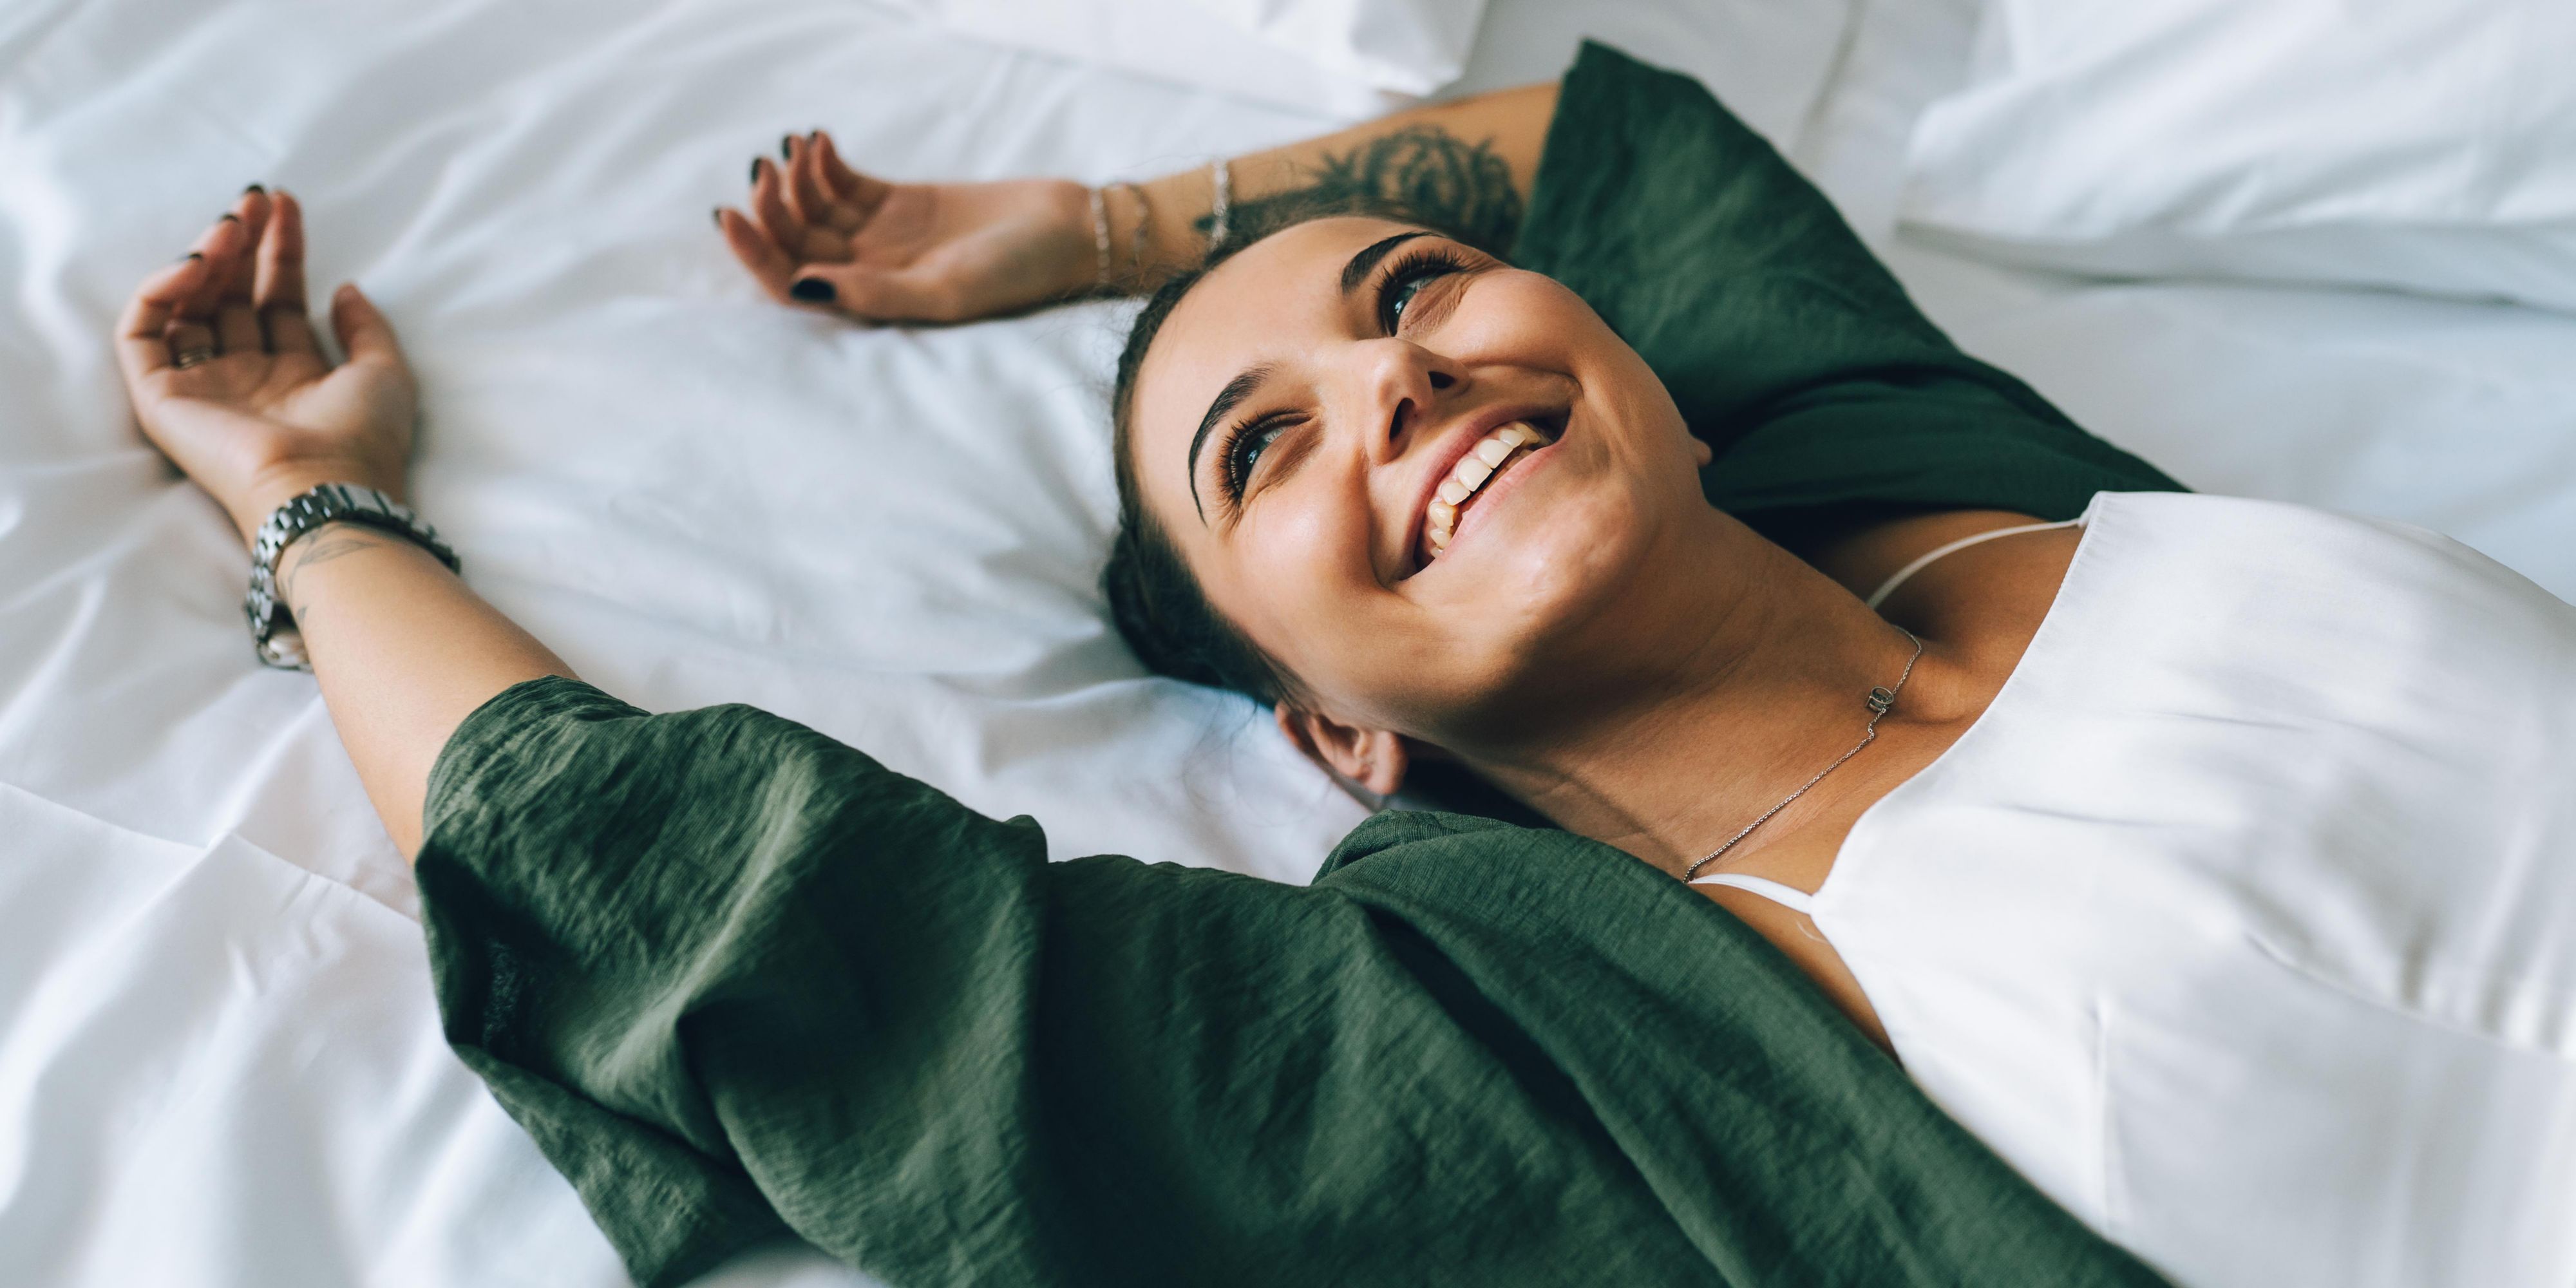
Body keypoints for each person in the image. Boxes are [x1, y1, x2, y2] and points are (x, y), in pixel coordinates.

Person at [115, 41, 2574, 1288]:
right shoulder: (1540, 1040)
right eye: (1262, 451)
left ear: (1637, 366)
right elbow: (701, 900)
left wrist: (1096, 230)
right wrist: (307, 498)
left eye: (1412, 301)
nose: (1399, 376)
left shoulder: (1919, 464)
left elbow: (1611, 150)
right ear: (1329, 725)